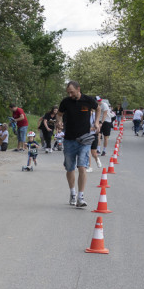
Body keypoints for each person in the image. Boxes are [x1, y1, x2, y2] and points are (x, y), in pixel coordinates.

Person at [57, 80, 100, 208]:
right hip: (69, 139)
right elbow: (59, 114)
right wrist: (59, 122)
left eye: (72, 92)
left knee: (82, 166)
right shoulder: (65, 102)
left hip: (84, 139)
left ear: (78, 89)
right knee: (70, 168)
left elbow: (98, 109)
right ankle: (73, 193)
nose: (70, 94)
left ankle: (81, 197)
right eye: (68, 92)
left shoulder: (88, 100)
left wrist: (97, 122)